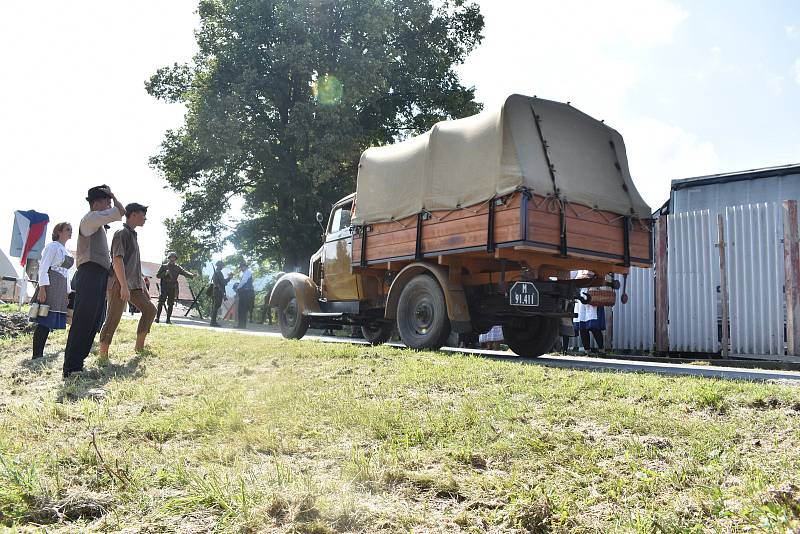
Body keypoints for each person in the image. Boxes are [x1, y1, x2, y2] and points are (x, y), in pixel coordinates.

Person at [63, 185, 125, 378]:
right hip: (89, 274)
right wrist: (114, 195)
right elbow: (120, 212)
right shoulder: (90, 219)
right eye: (106, 201)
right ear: (97, 202)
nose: (109, 205)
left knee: (93, 321)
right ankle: (71, 367)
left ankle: (78, 364)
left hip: (97, 276)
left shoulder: (98, 225)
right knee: (83, 321)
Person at [97, 203, 157, 363]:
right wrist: (123, 285)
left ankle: (139, 347)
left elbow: (134, 265)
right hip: (119, 283)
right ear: (134, 214)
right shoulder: (121, 233)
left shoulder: (133, 235)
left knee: (150, 310)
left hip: (134, 284)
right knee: (113, 318)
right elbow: (117, 259)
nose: (145, 218)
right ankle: (103, 355)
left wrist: (143, 286)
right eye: (143, 214)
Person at [31, 222, 74, 359]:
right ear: (59, 231)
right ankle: (37, 355)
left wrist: (67, 292)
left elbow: (66, 273)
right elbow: (43, 268)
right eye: (67, 229)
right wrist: (42, 289)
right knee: (44, 319)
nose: (70, 232)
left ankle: (40, 353)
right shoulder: (52, 247)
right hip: (50, 285)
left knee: (49, 320)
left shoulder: (66, 251)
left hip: (60, 287)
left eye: (71, 230)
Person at [155, 252, 195, 324]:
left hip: (172, 287)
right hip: (164, 287)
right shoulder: (164, 266)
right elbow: (157, 275)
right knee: (161, 302)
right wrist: (165, 273)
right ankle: (157, 318)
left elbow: (184, 272)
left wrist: (192, 275)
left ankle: (168, 319)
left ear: (175, 259)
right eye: (171, 257)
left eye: (174, 258)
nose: (172, 259)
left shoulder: (177, 267)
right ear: (169, 258)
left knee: (171, 304)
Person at [573, 269, 606, 354]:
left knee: (594, 326)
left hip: (593, 294)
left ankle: (601, 349)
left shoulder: (595, 267)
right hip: (581, 297)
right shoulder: (579, 269)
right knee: (582, 327)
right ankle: (587, 350)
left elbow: (600, 278)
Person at [210, 260, 232, 327]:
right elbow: (223, 283)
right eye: (222, 266)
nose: (222, 267)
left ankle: (213, 321)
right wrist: (229, 278)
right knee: (216, 307)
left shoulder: (216, 273)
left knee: (215, 306)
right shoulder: (219, 273)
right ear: (219, 266)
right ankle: (213, 322)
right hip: (218, 292)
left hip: (216, 291)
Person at [236, 260, 255, 329]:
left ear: (244, 267)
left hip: (246, 293)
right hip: (246, 292)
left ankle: (241, 325)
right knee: (242, 309)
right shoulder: (247, 272)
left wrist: (238, 287)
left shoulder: (247, 272)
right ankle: (241, 325)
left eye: (241, 268)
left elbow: (243, 281)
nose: (240, 269)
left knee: (242, 309)